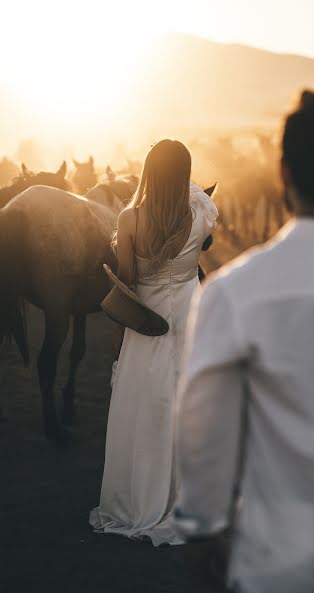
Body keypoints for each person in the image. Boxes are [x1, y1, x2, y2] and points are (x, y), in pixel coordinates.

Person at [174, 91, 314, 593]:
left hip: (284, 567)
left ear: (283, 171)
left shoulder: (236, 293)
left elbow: (204, 429)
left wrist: (202, 527)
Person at [90, 139, 218, 546]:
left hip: (148, 324)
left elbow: (128, 286)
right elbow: (200, 204)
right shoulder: (200, 215)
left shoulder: (129, 219)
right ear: (185, 174)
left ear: (147, 170)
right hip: (188, 319)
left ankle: (138, 497)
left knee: (143, 405)